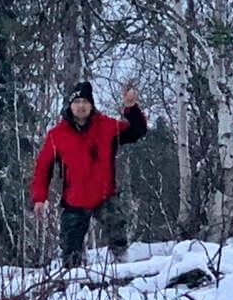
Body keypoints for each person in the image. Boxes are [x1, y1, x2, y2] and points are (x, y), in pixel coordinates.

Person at [30, 80, 147, 269]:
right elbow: (43, 168)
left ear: (91, 105)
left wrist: (131, 108)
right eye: (77, 102)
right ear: (70, 105)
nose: (81, 106)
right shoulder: (57, 135)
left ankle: (123, 274)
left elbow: (137, 132)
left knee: (119, 238)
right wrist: (39, 198)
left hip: (105, 197)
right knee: (70, 251)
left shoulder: (107, 127)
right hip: (75, 201)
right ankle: (71, 287)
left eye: (85, 102)